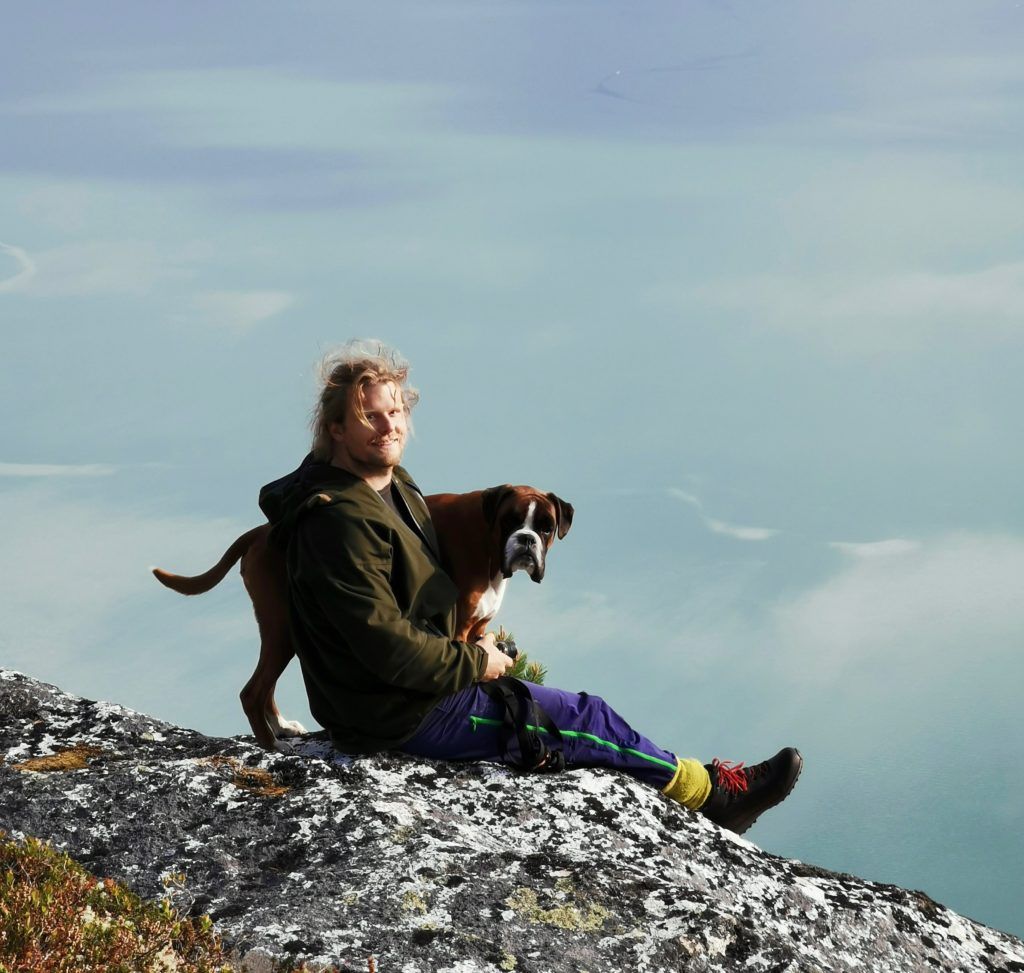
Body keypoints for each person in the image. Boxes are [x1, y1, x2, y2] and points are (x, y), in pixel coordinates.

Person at [259, 340, 802, 835]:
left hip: (408, 691)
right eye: (369, 417)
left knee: (574, 715)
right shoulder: (340, 519)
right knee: (584, 720)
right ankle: (712, 796)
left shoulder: (390, 486)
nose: (388, 426)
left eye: (395, 411)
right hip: (396, 716)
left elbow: (409, 605)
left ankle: (706, 786)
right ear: (336, 428)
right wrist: (477, 663)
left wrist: (473, 645)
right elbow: (384, 645)